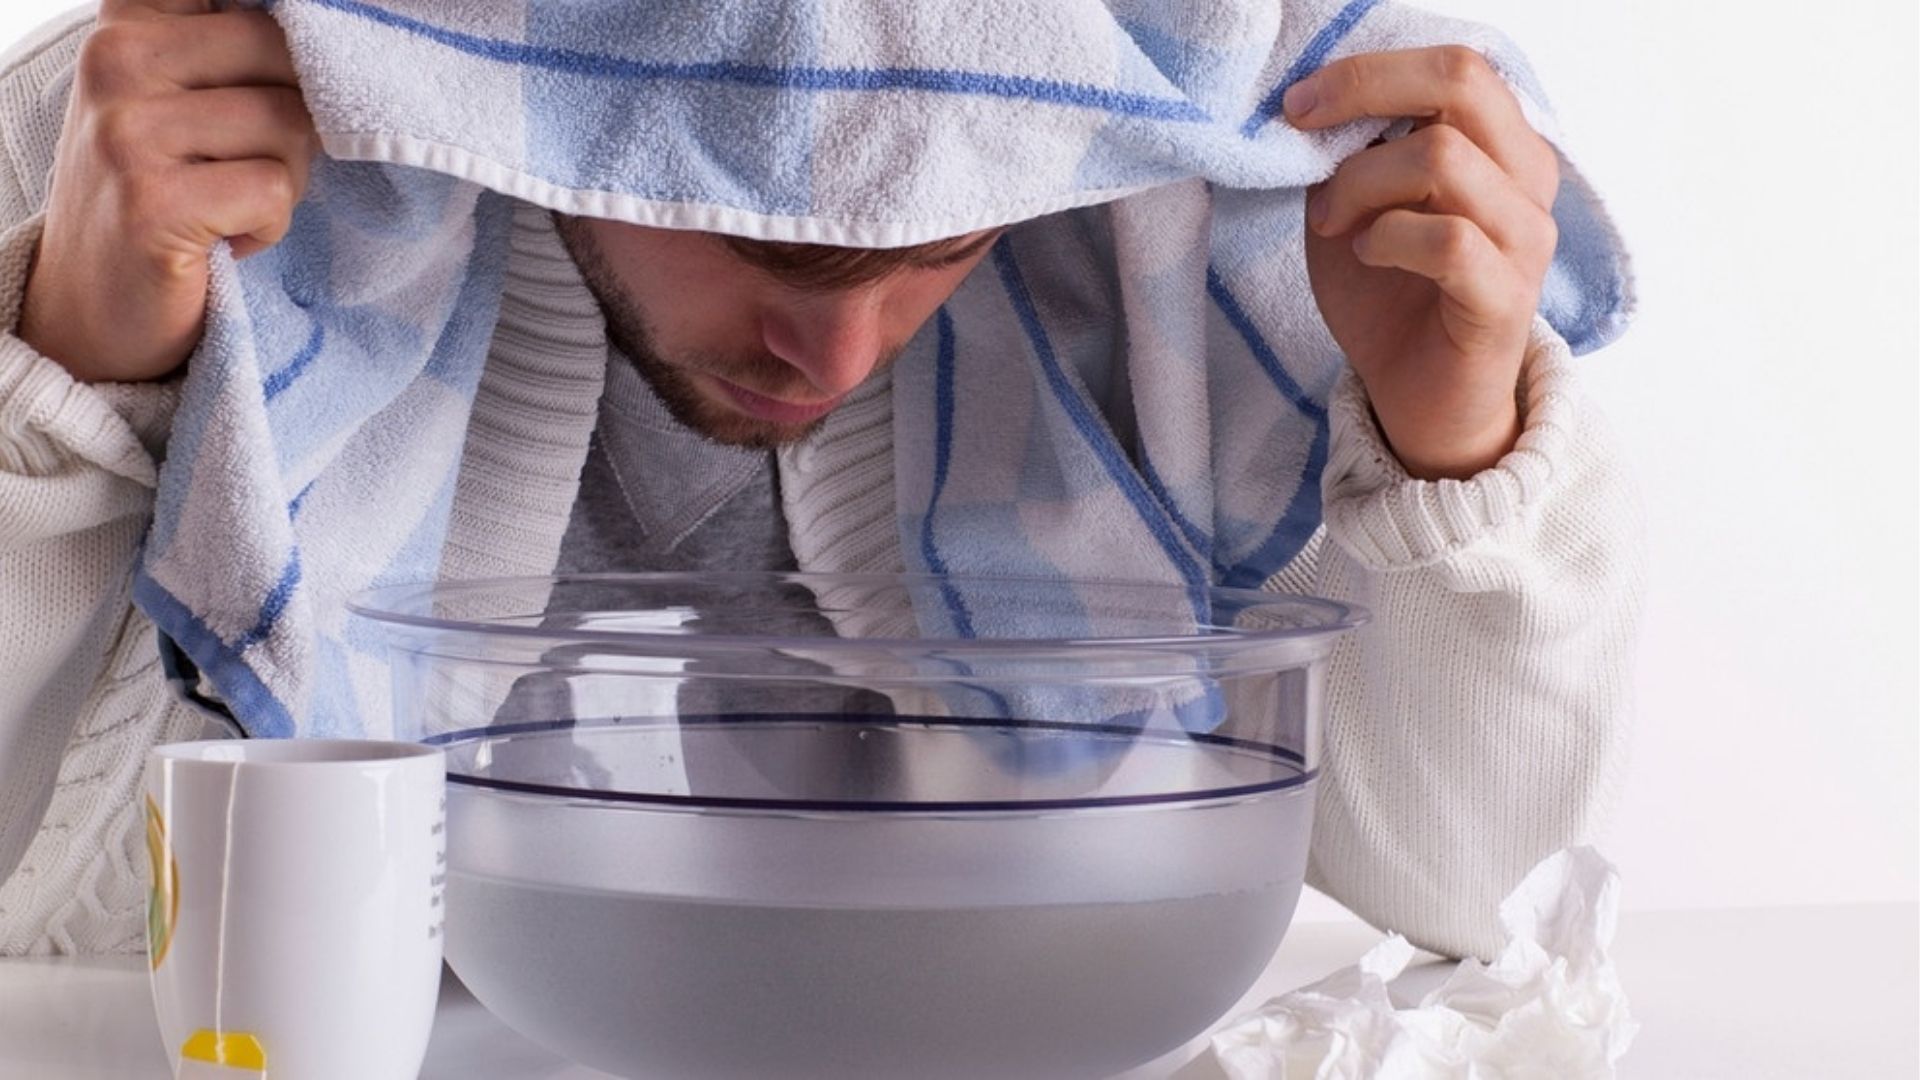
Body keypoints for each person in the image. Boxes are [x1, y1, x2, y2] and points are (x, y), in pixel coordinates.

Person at [0, 1, 1641, 960]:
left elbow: (1471, 893)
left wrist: (1450, 445)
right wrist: (70, 386)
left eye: (939, 248)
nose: (836, 355)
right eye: (762, 243)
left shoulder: (1191, 234)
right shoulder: (146, 156)